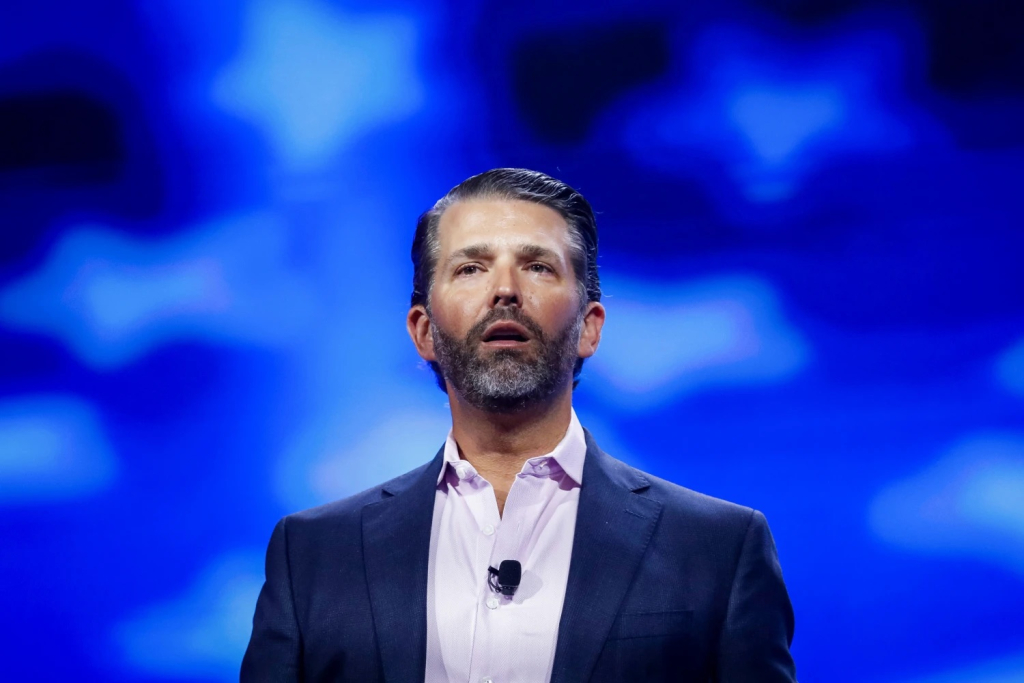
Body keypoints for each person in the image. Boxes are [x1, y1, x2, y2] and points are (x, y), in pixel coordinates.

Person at [241, 168, 797, 682]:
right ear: (424, 332)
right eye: (470, 268)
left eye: (537, 266)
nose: (504, 289)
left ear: (589, 327)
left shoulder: (717, 549)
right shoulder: (313, 555)